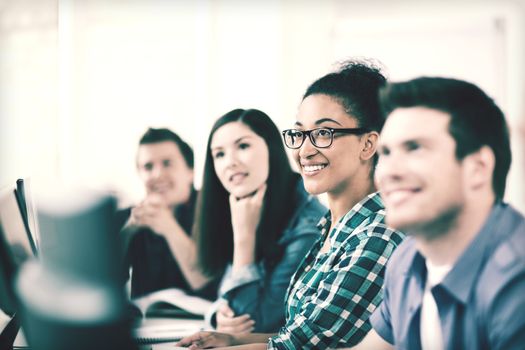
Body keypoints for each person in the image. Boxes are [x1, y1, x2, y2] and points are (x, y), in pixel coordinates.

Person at [177, 60, 406, 349]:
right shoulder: (333, 228)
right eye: (299, 134)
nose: (305, 150)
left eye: (324, 133)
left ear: (368, 145)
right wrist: (232, 338)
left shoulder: (378, 233)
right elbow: (298, 334)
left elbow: (300, 348)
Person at [351, 77, 525, 349]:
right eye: (385, 152)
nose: (388, 172)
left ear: (478, 168)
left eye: (415, 148)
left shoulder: (517, 280)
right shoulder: (407, 260)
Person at [193, 108, 326, 333]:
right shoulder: (245, 205)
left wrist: (244, 238)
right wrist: (216, 316)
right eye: (219, 154)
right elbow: (227, 298)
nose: (230, 163)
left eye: (243, 146)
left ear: (271, 150)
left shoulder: (308, 226)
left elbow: (255, 323)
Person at [118, 128, 216, 299]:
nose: (157, 174)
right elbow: (102, 283)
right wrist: (127, 233)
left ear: (190, 172)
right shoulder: (129, 218)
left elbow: (206, 283)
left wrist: (169, 227)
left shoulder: (214, 209)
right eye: (148, 167)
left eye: (167, 163)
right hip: (149, 323)